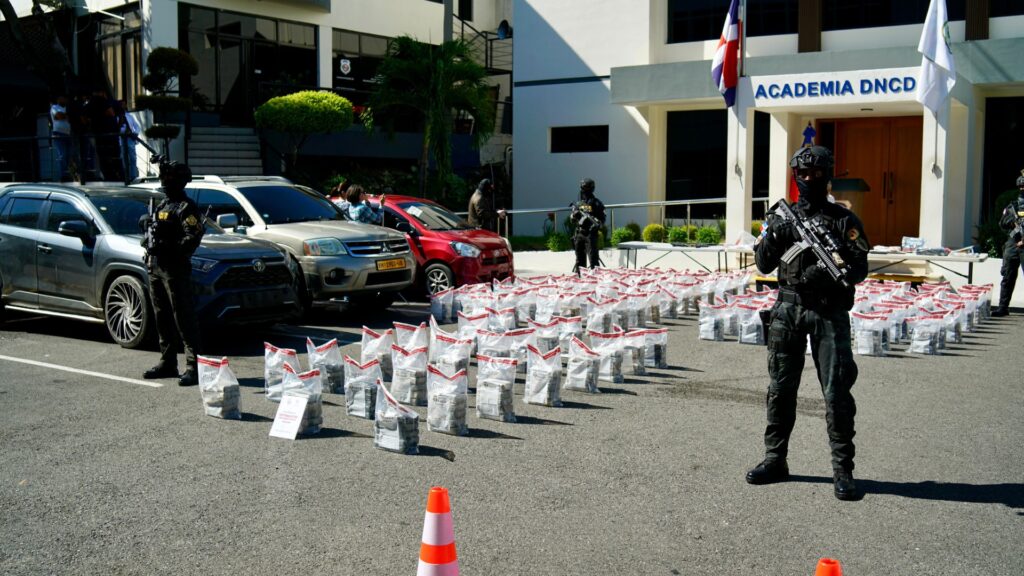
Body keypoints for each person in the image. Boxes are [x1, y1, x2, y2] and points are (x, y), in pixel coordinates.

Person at [747, 145, 870, 501]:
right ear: (794, 175)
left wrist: (824, 274)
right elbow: (763, 265)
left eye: (816, 174)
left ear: (827, 175)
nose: (809, 179)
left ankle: (842, 470)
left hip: (829, 313)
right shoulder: (780, 217)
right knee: (781, 389)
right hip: (787, 310)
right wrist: (776, 236)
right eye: (803, 173)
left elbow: (859, 267)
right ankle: (775, 459)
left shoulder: (843, 221)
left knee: (836, 393)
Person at [141, 161, 205, 386]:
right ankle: (168, 361)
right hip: (155, 266)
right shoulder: (162, 205)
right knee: (162, 316)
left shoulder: (185, 207)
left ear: (180, 181)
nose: (164, 182)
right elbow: (154, 233)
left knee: (183, 316)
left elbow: (193, 236)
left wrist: (170, 247)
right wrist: (146, 228)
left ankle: (193, 366)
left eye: (169, 178)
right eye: (163, 178)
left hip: (175, 268)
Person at [993, 170, 1024, 316]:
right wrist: (1010, 222)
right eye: (1021, 186)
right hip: (1013, 243)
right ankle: (1003, 307)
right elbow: (1002, 223)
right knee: (1007, 276)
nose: (1022, 189)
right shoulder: (1012, 206)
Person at [570, 178, 605, 272]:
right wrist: (574, 215)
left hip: (590, 234)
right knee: (579, 260)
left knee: (593, 260)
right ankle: (580, 278)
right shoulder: (578, 203)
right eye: (583, 187)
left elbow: (602, 219)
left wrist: (597, 225)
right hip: (579, 234)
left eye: (587, 187)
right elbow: (572, 219)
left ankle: (595, 280)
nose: (585, 189)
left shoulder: (596, 203)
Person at [49, 96, 72, 181]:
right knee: (62, 154)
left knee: (69, 155)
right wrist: (69, 115)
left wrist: (66, 115)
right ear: (58, 99)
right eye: (63, 98)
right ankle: (63, 175)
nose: (65, 99)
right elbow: (58, 116)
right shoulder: (54, 107)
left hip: (69, 134)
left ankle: (70, 174)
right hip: (58, 134)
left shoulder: (67, 108)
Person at [118, 102, 141, 183]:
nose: (124, 106)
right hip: (122, 138)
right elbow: (117, 129)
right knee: (123, 157)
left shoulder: (129, 116)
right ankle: (125, 176)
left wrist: (135, 133)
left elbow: (137, 126)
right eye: (122, 104)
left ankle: (133, 176)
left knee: (133, 157)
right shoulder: (117, 117)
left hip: (130, 138)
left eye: (124, 104)